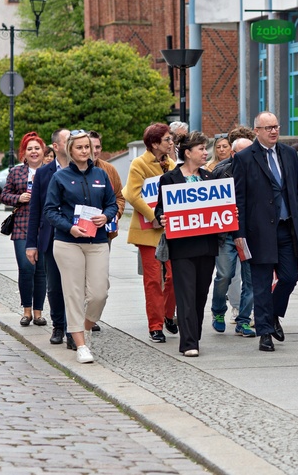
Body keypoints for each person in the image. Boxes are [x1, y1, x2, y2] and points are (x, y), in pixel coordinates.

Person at [233, 112, 298, 352]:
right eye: (268, 128)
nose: (273, 131)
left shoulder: (288, 153)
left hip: (287, 228)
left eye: (276, 126)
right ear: (256, 131)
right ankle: (265, 332)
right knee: (261, 284)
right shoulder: (244, 158)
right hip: (259, 231)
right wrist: (240, 234)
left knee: (289, 277)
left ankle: (273, 314)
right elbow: (239, 199)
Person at [45, 130, 118, 364]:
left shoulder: (100, 174)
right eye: (80, 147)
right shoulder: (60, 177)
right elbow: (50, 211)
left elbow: (112, 203)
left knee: (99, 292)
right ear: (70, 150)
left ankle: (84, 327)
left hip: (97, 241)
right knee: (74, 293)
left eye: (88, 147)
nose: (85, 151)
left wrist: (106, 217)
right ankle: (80, 344)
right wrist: (69, 227)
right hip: (68, 242)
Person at [154, 132, 220, 357]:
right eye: (201, 149)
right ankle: (189, 342)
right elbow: (160, 209)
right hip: (182, 247)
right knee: (186, 294)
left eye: (205, 148)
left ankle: (194, 332)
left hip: (207, 245)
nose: (205, 153)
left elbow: (219, 207)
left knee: (201, 294)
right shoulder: (169, 179)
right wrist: (162, 217)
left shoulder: (210, 178)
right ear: (188, 153)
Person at [123, 123, 178, 343]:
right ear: (154, 144)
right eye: (167, 139)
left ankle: (167, 314)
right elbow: (132, 195)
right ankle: (155, 325)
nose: (171, 142)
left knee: (174, 277)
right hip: (148, 230)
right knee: (153, 279)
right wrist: (153, 216)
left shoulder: (171, 163)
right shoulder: (139, 164)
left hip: (170, 229)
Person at [26, 129, 73, 349]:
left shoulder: (82, 169)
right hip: (50, 237)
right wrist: (31, 244)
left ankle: (75, 329)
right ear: (56, 146)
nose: (74, 144)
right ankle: (58, 325)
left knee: (74, 286)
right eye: (68, 140)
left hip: (76, 237)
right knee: (54, 286)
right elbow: (35, 210)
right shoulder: (44, 174)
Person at [210, 131, 256, 337]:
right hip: (226, 234)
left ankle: (244, 320)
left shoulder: (260, 169)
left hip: (251, 233)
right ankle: (218, 311)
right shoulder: (220, 171)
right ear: (234, 154)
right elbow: (210, 203)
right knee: (225, 275)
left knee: (251, 279)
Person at [1, 131, 48, 327]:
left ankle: (38, 312)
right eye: (30, 149)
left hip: (45, 226)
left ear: (43, 151)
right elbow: (4, 195)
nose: (34, 152)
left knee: (41, 271)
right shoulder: (16, 172)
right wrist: (18, 198)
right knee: (26, 268)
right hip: (22, 225)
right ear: (24, 153)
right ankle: (26, 310)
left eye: (37, 148)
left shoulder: (50, 171)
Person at [90, 130, 127, 242]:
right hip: (78, 232)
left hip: (104, 231)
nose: (95, 151)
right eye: (91, 147)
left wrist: (115, 214)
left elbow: (119, 197)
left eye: (98, 147)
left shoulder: (109, 170)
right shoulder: (72, 170)